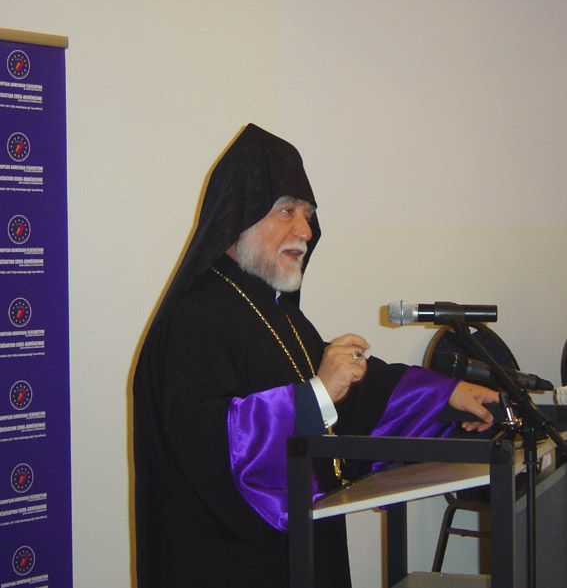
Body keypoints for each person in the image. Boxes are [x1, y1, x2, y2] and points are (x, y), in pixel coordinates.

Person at [133, 124, 498, 588]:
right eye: (287, 211)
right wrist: (315, 396)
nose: (305, 231)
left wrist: (447, 397)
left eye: (307, 216)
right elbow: (208, 446)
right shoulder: (192, 321)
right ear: (238, 217)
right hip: (228, 566)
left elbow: (359, 396)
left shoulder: (279, 315)